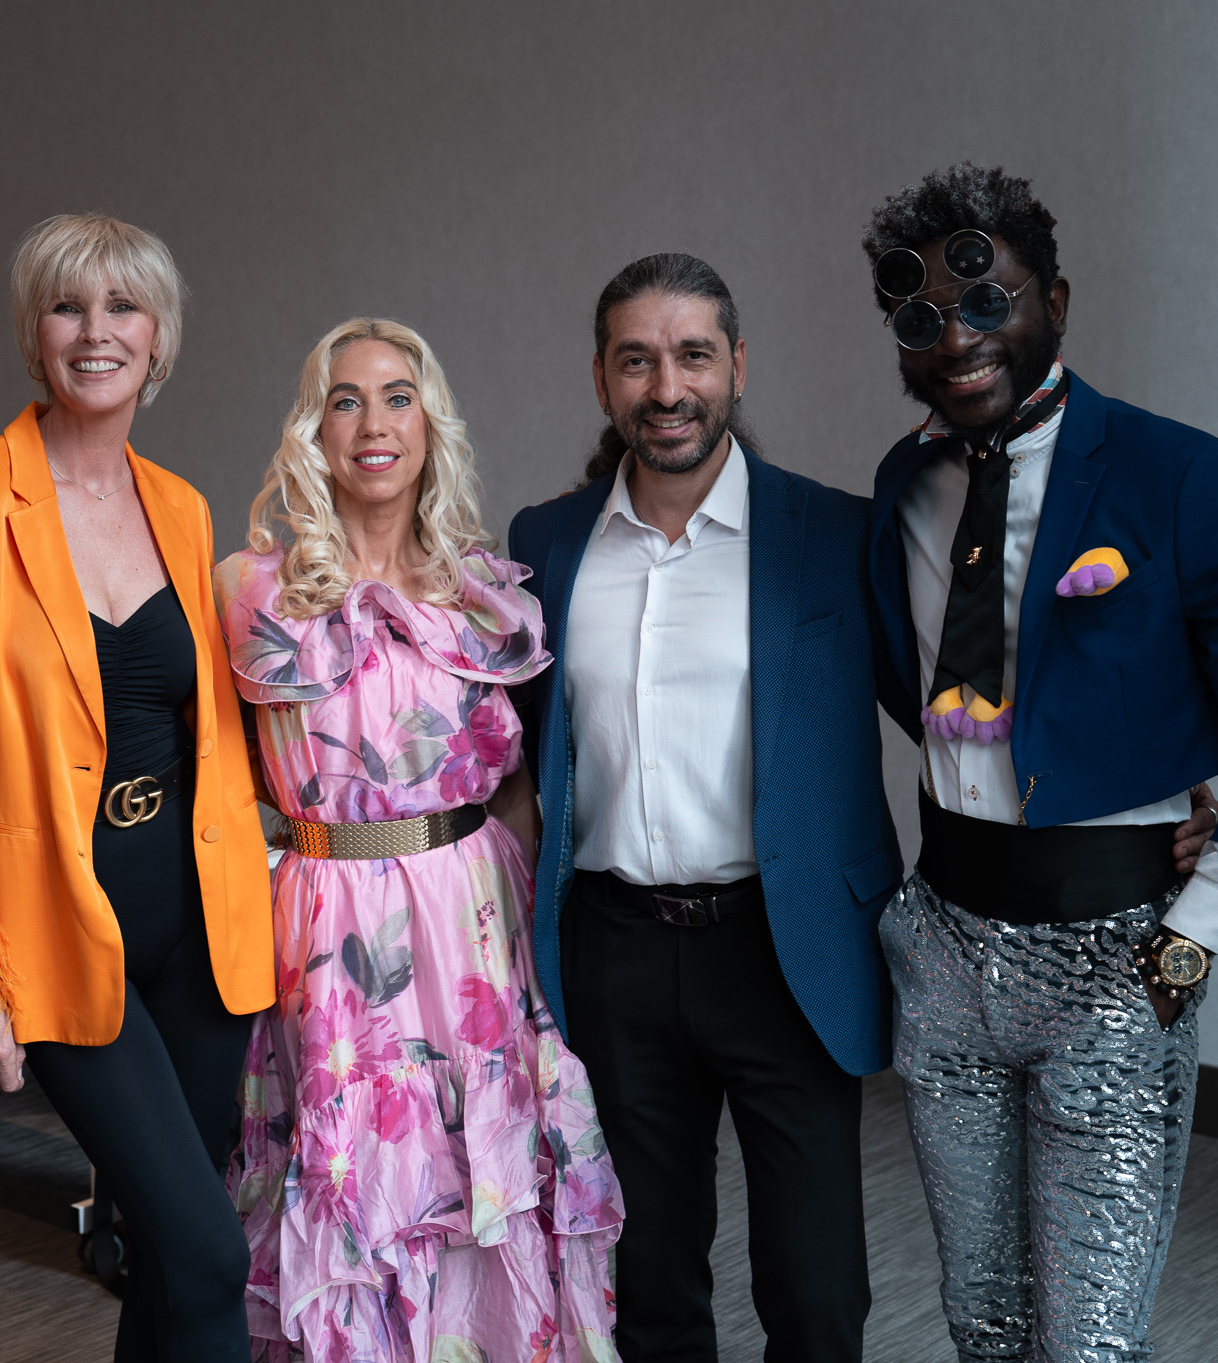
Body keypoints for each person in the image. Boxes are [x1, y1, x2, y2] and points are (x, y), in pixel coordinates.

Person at [862, 163, 1218, 1362]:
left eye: (987, 302)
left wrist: (1188, 944)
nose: (956, 339)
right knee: (982, 1323)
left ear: (1056, 300)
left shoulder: (1178, 474)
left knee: (1084, 1343)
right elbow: (914, 687)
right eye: (921, 318)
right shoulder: (902, 482)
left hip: (1114, 963)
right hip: (942, 951)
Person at [0, 212, 273, 1362]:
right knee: (211, 1254)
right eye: (66, 306)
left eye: (122, 307)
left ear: (158, 339)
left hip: (199, 932)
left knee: (166, 1251)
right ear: (32, 333)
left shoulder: (181, 506)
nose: (94, 331)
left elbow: (213, 729)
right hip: (54, 928)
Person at [502, 253, 896, 1363]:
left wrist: (1142, 787)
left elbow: (957, 709)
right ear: (600, 379)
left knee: (817, 1295)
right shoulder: (545, 543)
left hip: (782, 948)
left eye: (691, 356)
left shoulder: (835, 533)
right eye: (636, 361)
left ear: (736, 366)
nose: (666, 388)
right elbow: (507, 745)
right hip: (614, 950)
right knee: (649, 1283)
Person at [219, 318, 622, 1362]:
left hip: (471, 919)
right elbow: (215, 779)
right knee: (352, 1176)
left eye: (397, 397)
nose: (373, 424)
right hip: (327, 925)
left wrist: (524, 950)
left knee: (479, 1168)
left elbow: (517, 789)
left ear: (429, 422)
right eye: (344, 400)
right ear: (314, 429)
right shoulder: (251, 592)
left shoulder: (482, 591)